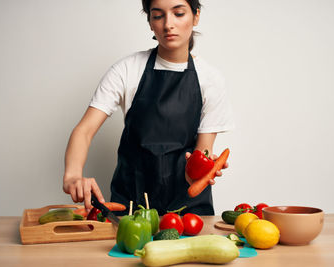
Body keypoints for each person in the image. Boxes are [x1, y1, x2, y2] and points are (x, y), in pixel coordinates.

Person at [62, 0, 234, 215]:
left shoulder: (211, 79)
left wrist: (199, 172)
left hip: (189, 207)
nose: (168, 24)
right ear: (150, 22)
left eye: (179, 13)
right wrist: (72, 175)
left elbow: (202, 150)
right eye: (158, 15)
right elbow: (84, 130)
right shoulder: (126, 69)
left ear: (196, 16)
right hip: (132, 203)